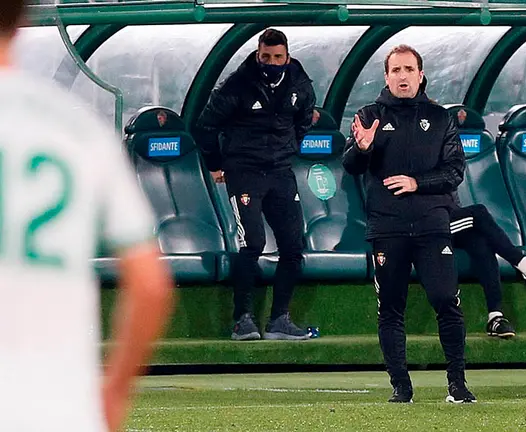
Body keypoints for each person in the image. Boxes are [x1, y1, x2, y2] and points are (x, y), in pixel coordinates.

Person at [0, 2, 175, 431]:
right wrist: (113, 392)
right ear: (22, 19)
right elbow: (150, 285)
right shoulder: (76, 129)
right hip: (59, 410)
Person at [343, 44, 476, 404]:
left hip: (433, 224)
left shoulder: (441, 118)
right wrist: (363, 148)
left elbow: (454, 171)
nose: (403, 76)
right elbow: (351, 165)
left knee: (446, 299)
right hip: (388, 227)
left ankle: (458, 384)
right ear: (386, 77)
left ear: (420, 75)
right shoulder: (369, 115)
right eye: (396, 70)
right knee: (391, 306)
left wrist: (418, 183)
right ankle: (401, 387)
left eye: (409, 70)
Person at [194, 28, 316, 341]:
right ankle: (242, 320)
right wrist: (216, 164)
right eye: (266, 57)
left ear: (287, 56)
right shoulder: (237, 84)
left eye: (278, 57)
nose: (272, 62)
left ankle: (280, 320)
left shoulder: (299, 83)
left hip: (280, 171)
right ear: (257, 54)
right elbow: (205, 126)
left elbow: (304, 118)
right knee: (253, 243)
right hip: (244, 170)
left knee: (292, 246)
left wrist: (290, 146)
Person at [449, 200, 526, 338]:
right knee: (478, 212)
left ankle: (495, 316)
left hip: (445, 215)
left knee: (481, 243)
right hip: (425, 224)